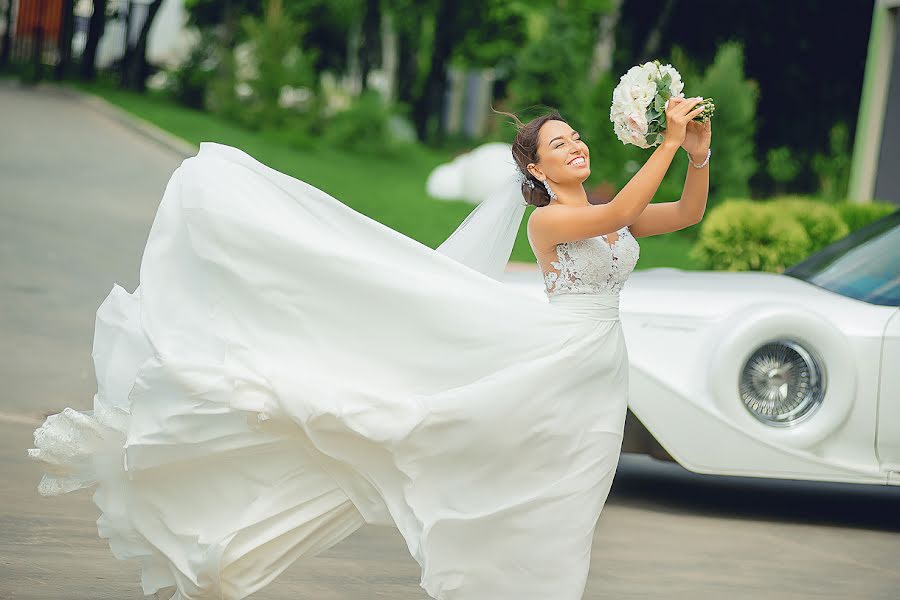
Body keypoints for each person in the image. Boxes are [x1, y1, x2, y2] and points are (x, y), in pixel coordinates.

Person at [27, 97, 711, 600]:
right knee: (485, 454)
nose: (575, 147)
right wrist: (665, 142)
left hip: (601, 371)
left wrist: (697, 155)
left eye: (577, 139)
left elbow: (682, 214)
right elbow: (618, 215)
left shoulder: (598, 207)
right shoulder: (552, 220)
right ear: (534, 167)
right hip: (561, 359)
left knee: (573, 491)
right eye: (559, 145)